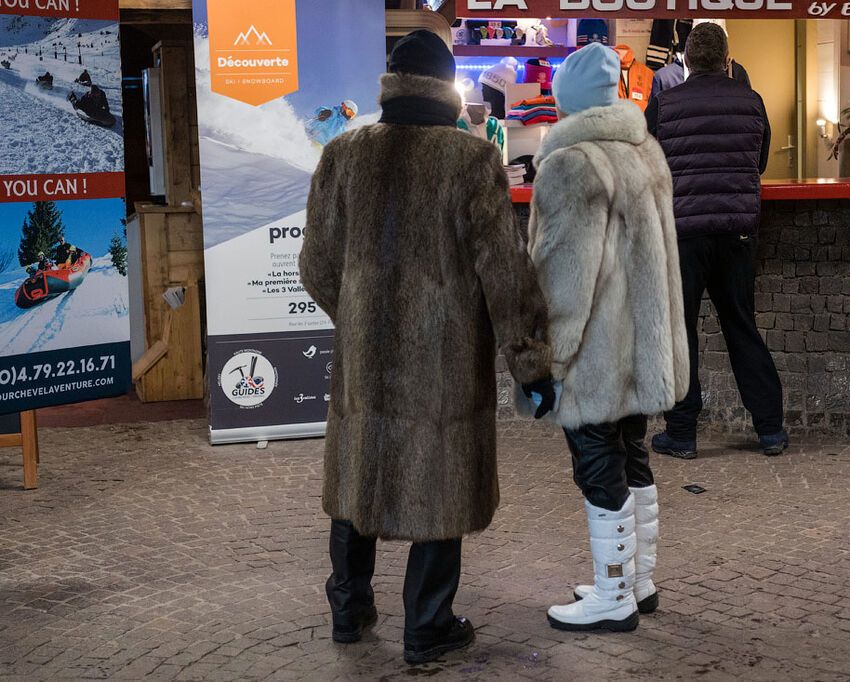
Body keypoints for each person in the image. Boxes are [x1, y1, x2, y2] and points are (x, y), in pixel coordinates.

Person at [299, 30, 554, 665]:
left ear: (392, 81)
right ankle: (427, 625)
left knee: (358, 474)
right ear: (447, 88)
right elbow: (505, 271)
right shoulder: (469, 161)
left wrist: (358, 315)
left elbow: (315, 266)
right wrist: (530, 361)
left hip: (364, 361)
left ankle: (348, 608)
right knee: (443, 479)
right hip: (443, 360)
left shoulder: (344, 155)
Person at [524, 43, 688, 632]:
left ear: (567, 101)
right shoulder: (645, 151)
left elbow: (563, 281)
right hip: (641, 346)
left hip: (595, 350)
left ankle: (613, 595)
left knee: (596, 463)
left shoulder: (571, 165)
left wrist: (550, 358)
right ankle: (637, 581)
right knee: (631, 452)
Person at [646, 22, 788, 459]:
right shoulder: (752, 102)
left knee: (681, 331)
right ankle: (770, 429)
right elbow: (759, 163)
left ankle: (683, 433)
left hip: (683, 234)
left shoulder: (664, 104)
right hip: (737, 232)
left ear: (685, 61)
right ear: (728, 61)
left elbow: (649, 164)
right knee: (741, 326)